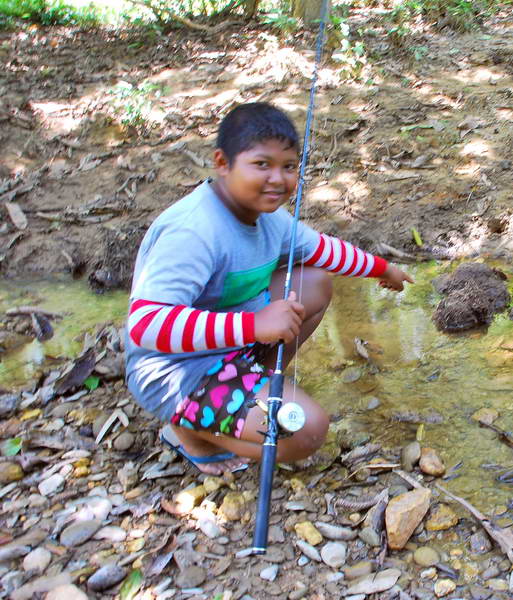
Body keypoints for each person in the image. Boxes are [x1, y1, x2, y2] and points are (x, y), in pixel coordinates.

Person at [125, 102, 413, 475]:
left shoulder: (270, 219)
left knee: (313, 282)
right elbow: (147, 326)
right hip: (174, 371)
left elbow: (324, 250)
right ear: (222, 163)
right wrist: (253, 326)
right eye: (261, 164)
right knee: (306, 434)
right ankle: (191, 433)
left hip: (227, 346)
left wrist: (382, 269)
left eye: (289, 166)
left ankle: (246, 392)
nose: (278, 179)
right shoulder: (193, 231)